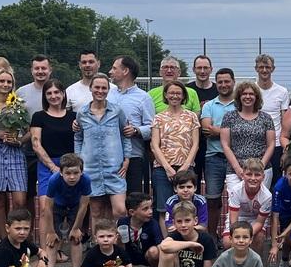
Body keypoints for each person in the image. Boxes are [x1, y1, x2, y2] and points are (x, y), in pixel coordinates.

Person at [75, 73, 131, 223]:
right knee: (96, 211)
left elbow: (125, 135)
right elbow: (78, 137)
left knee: (120, 210)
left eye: (104, 88)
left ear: (108, 90)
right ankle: (97, 244)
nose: (100, 91)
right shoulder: (82, 113)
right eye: (97, 87)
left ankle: (121, 245)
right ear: (91, 88)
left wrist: (127, 160)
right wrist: (79, 160)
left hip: (114, 169)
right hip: (90, 169)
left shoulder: (117, 111)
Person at [30, 79, 76, 249]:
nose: (53, 96)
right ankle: (45, 251)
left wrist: (69, 168)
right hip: (47, 166)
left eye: (57, 92)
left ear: (63, 94)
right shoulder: (39, 117)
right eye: (49, 93)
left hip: (70, 167)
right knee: (45, 209)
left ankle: (59, 248)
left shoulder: (74, 116)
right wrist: (52, 167)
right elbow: (36, 144)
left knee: (65, 208)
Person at [0, 68, 28, 240]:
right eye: (1, 81)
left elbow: (29, 131)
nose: (5, 84)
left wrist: (19, 141)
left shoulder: (19, 104)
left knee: (20, 201)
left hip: (15, 153)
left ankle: (18, 236)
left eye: (8, 82)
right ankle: (3, 240)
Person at [151, 79, 200, 231]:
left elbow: (195, 144)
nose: (175, 96)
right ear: (166, 95)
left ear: (183, 96)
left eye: (178, 93)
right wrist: (167, 168)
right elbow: (154, 145)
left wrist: (185, 167)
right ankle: (169, 245)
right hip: (163, 169)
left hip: (186, 167)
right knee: (164, 209)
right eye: (171, 93)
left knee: (188, 208)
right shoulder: (158, 118)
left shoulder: (191, 116)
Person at [41, 153, 91, 267]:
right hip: (57, 206)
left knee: (76, 238)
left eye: (76, 173)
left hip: (75, 206)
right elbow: (48, 208)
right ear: (61, 173)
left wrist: (76, 228)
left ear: (81, 172)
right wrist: (50, 231)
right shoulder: (54, 180)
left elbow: (84, 206)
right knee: (52, 241)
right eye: (68, 173)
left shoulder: (86, 180)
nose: (72, 177)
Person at [16, 55, 55, 224]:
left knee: (53, 196)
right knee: (27, 195)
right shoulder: (21, 93)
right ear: (31, 70)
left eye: (44, 68)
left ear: (50, 70)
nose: (40, 72)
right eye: (37, 68)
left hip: (53, 150)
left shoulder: (57, 90)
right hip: (29, 151)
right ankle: (28, 233)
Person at [108, 55, 155, 194]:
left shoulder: (143, 97)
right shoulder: (108, 94)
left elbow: (152, 128)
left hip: (133, 157)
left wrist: (136, 130)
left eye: (114, 68)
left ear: (125, 71)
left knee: (132, 199)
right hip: (108, 156)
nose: (110, 71)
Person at [200, 68, 237, 238]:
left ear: (233, 82)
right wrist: (230, 131)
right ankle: (212, 237)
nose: (223, 85)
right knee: (213, 199)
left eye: (227, 81)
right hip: (213, 158)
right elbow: (207, 129)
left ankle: (234, 236)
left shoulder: (240, 104)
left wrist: (219, 130)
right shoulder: (209, 105)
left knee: (236, 199)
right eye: (220, 82)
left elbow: (241, 130)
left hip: (236, 158)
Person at [220, 81, 275, 191]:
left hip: (262, 171)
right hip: (236, 171)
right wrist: (237, 168)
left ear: (256, 97)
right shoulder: (229, 117)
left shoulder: (266, 118)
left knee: (259, 205)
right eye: (244, 94)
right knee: (235, 204)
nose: (247, 97)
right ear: (239, 97)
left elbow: (271, 144)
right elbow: (225, 144)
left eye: (251, 94)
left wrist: (260, 167)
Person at [253, 54, 291, 185]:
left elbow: (285, 121)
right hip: (255, 144)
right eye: (261, 67)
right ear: (256, 69)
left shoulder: (282, 91)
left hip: (276, 145)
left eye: (267, 67)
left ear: (273, 69)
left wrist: (285, 150)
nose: (264, 70)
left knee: (275, 184)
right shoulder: (250, 91)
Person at [223, 158, 271, 251]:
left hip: (255, 219)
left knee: (258, 238)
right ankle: (232, 264)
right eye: (249, 174)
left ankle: (255, 264)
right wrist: (238, 235)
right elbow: (234, 220)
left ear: (263, 177)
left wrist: (246, 235)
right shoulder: (236, 190)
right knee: (227, 242)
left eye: (257, 175)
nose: (253, 178)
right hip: (239, 218)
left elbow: (259, 222)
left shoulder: (267, 196)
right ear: (242, 175)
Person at [117, 192, 162, 267]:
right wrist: (118, 240)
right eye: (145, 209)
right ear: (132, 212)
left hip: (146, 256)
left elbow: (160, 245)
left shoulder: (153, 224)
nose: (150, 211)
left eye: (151, 208)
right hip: (128, 254)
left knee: (154, 252)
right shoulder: (122, 222)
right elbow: (118, 247)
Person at [187, 55, 218, 185]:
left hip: (213, 144)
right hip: (192, 144)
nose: (202, 71)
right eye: (199, 68)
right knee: (193, 181)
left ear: (211, 69)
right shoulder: (186, 90)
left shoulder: (219, 89)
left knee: (213, 183)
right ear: (194, 70)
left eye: (206, 68)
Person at [165, 169, 208, 234]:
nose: (185, 190)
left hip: (196, 234)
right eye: (181, 187)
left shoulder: (201, 201)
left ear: (195, 188)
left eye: (189, 187)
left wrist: (185, 228)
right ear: (175, 189)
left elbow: (203, 226)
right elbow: (170, 228)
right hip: (177, 234)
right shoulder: (171, 202)